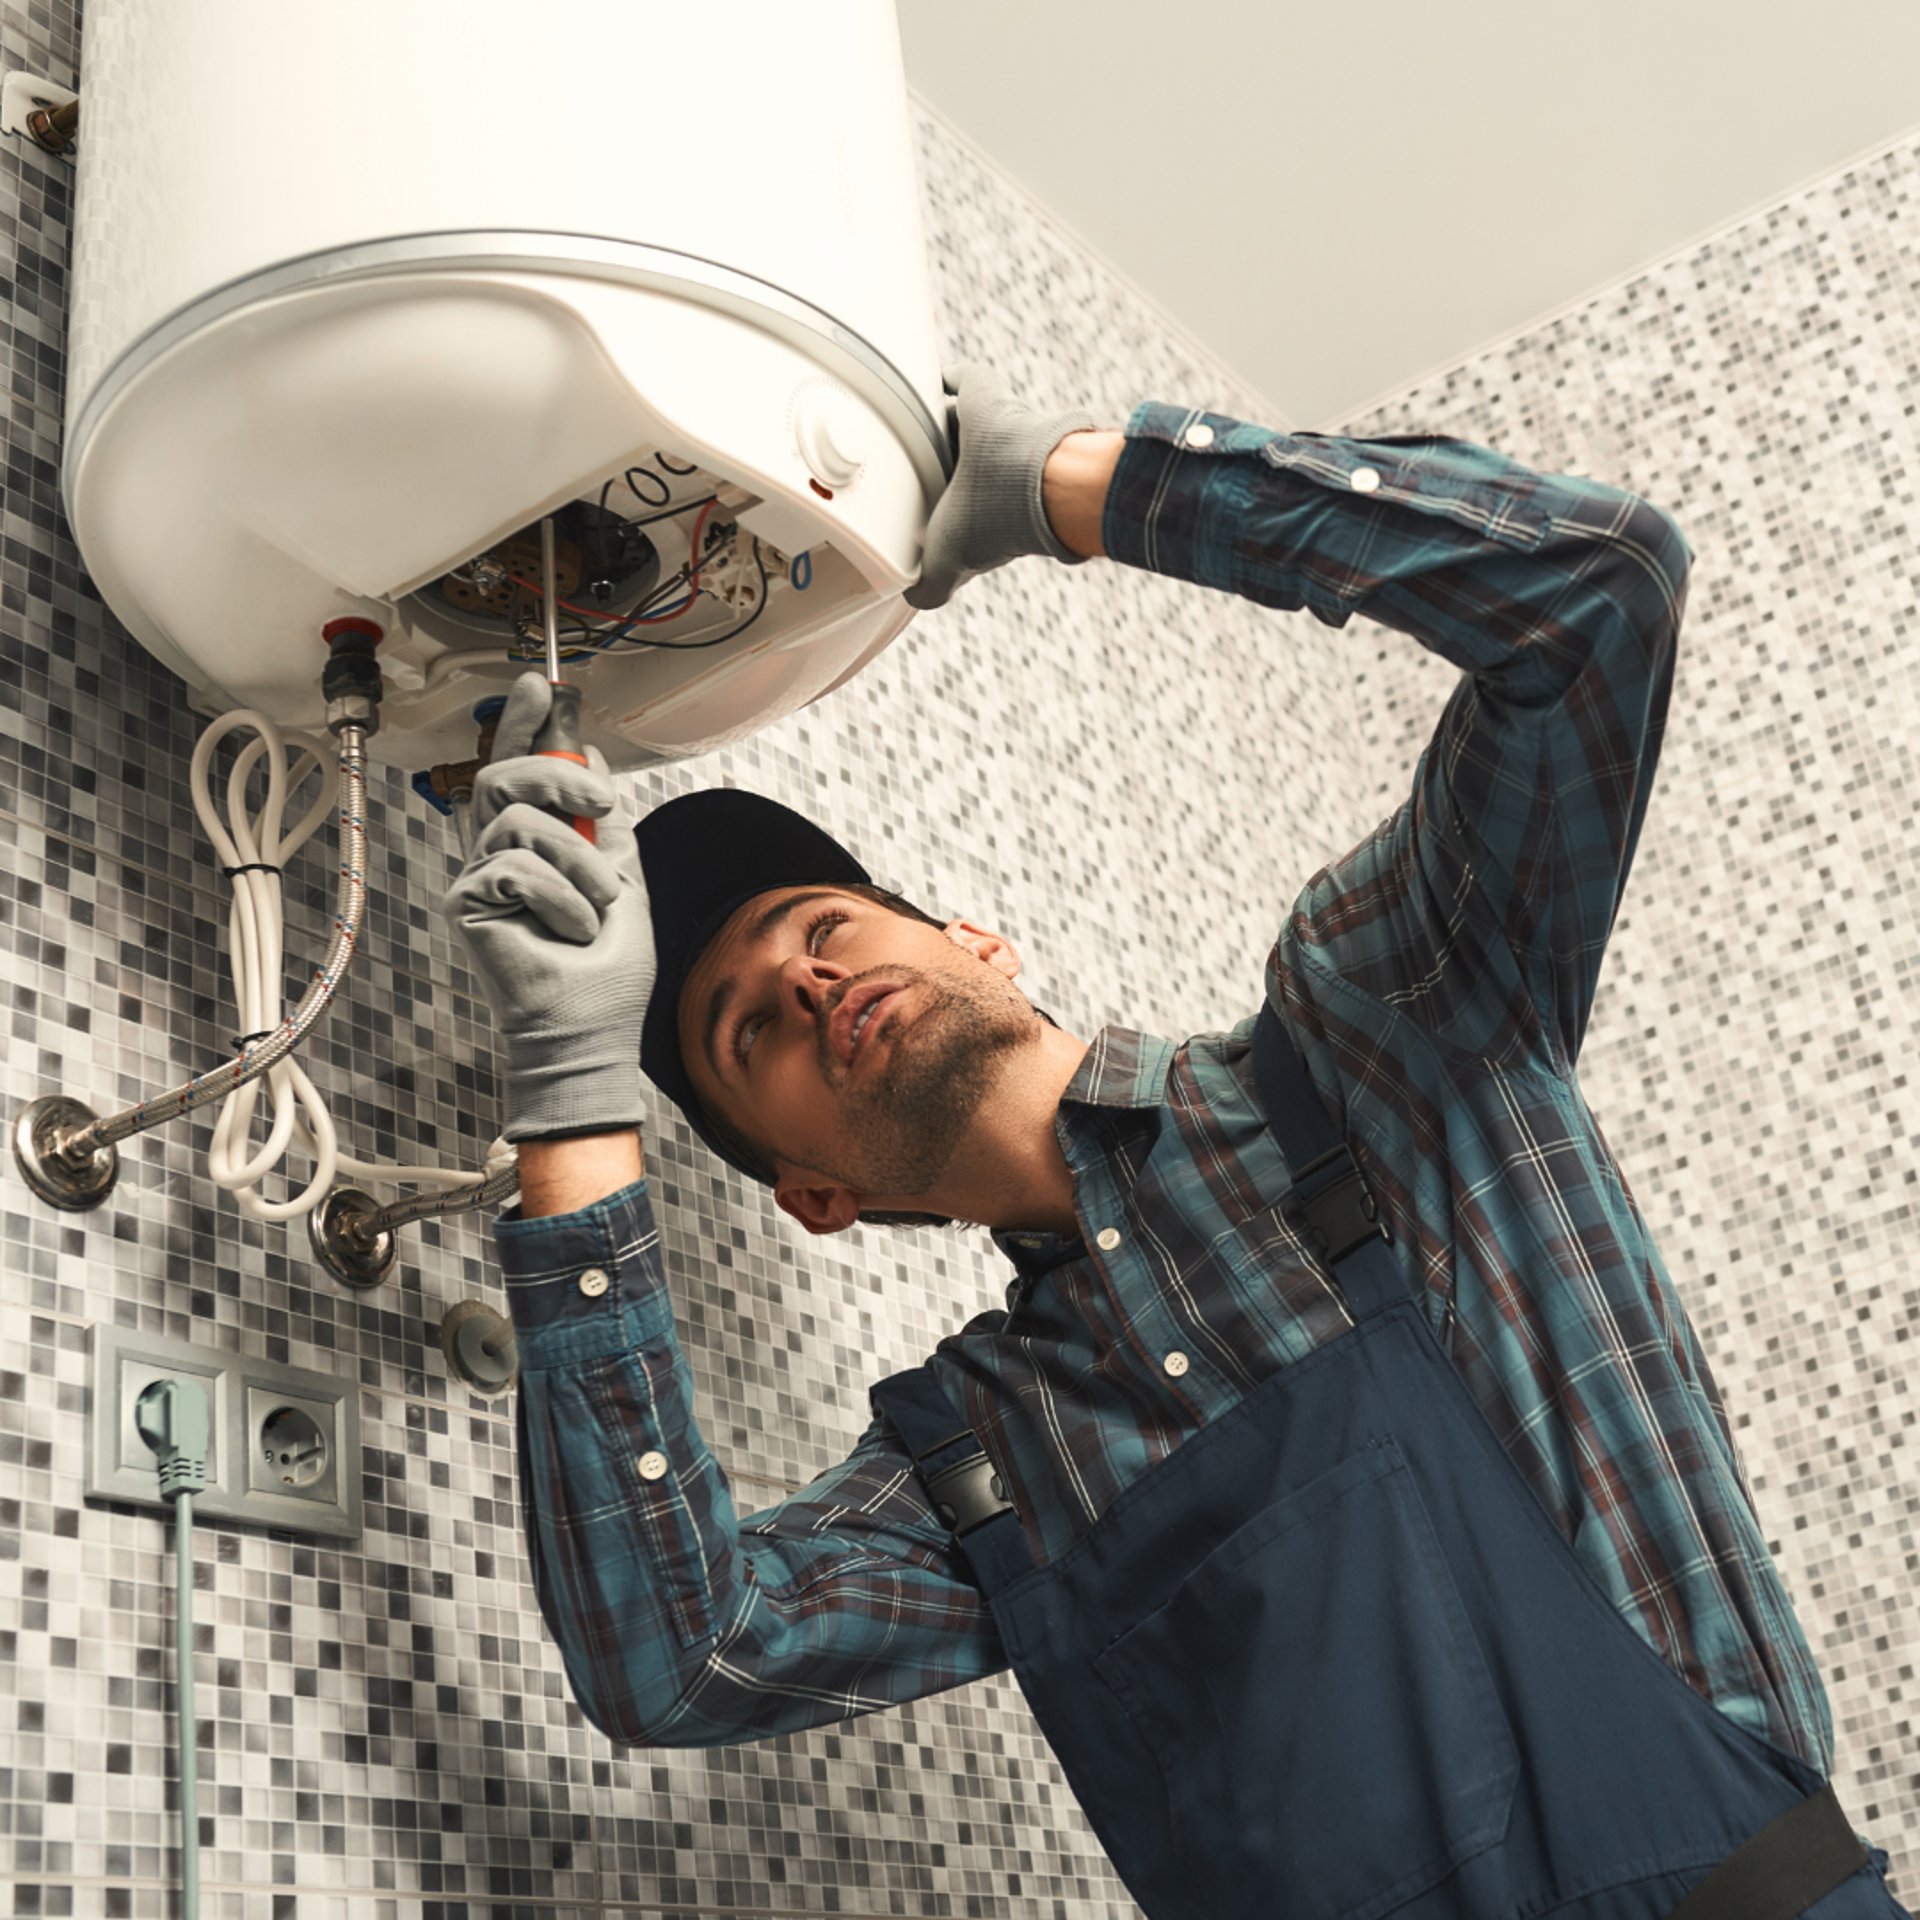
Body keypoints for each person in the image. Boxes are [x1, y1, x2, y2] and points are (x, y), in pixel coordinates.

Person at [443, 366, 1910, 1919]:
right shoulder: (989, 1458)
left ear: (978, 942)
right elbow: (679, 1656)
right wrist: (570, 1082)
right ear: (820, 1196)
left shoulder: (1386, 1034)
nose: (808, 982)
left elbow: (1599, 595)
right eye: (751, 1032)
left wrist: (1095, 488)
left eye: (822, 924)